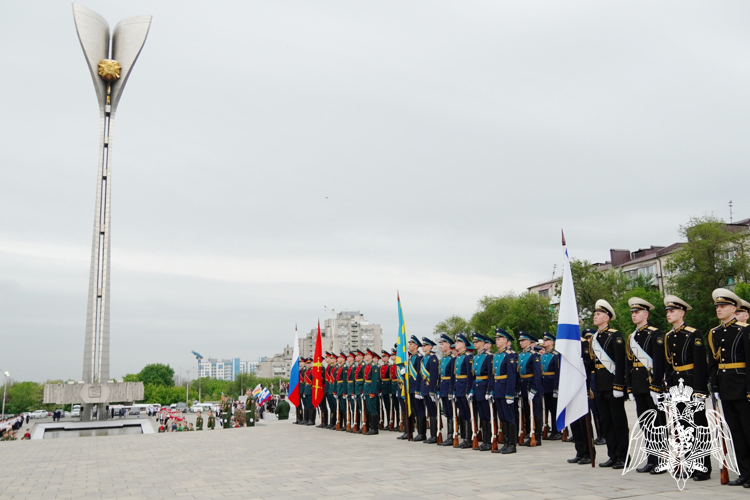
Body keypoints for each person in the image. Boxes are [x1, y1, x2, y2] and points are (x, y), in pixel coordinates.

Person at [662, 294, 711, 481]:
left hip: (691, 384)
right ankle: (690, 465)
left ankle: (703, 468)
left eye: (672, 311)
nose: (668, 314)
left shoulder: (693, 333)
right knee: (682, 427)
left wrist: (700, 390)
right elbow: (668, 364)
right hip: (677, 386)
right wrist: (668, 387)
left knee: (697, 426)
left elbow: (700, 363)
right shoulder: (668, 336)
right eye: (667, 311)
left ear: (681, 313)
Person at [708, 288, 750, 487]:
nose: (719, 309)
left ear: (734, 308)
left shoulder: (743, 330)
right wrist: (714, 386)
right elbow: (713, 364)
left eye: (723, 306)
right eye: (717, 306)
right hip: (725, 387)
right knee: (735, 433)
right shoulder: (714, 333)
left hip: (742, 385)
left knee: (748, 430)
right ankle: (744, 473)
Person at [625, 297, 665, 474]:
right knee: (645, 424)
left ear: (646, 314)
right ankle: (651, 460)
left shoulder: (655, 334)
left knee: (657, 423)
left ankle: (661, 460)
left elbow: (659, 362)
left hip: (651, 385)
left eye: (637, 312)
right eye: (632, 312)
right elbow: (628, 364)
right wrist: (630, 387)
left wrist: (657, 386)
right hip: (638, 384)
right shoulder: (632, 337)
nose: (634, 315)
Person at [590, 299, 628, 469]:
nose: (595, 316)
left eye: (598, 314)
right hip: (600, 384)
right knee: (606, 422)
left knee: (618, 422)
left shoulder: (615, 335)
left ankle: (622, 456)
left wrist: (619, 385)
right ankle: (612, 455)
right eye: (594, 314)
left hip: (613, 384)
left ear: (607, 317)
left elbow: (621, 362)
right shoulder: (594, 338)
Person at [568, 328, 595, 465]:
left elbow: (590, 364)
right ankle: (579, 451)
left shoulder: (584, 343)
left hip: (582, 384)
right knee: (574, 421)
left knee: (584, 422)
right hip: (570, 386)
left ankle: (588, 453)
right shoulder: (566, 344)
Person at [491, 327, 518, 454]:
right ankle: (506, 443)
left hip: (506, 389)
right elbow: (494, 376)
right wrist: (492, 391)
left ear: (506, 340)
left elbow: (512, 376)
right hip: (498, 389)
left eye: (499, 338)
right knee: (502, 417)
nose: (497, 341)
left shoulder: (510, 355)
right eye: (496, 339)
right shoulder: (497, 356)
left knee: (509, 417)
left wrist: (510, 394)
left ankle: (512, 444)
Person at [517, 331, 542, 447]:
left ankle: (537, 436)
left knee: (535, 411)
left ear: (529, 342)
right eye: (520, 341)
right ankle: (529, 433)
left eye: (523, 340)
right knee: (527, 410)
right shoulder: (521, 355)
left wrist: (534, 389)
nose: (521, 343)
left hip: (531, 384)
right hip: (523, 384)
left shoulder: (534, 355)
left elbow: (537, 374)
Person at [470, 332, 493, 451]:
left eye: (477, 342)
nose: (475, 344)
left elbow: (490, 375)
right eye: (474, 342)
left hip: (484, 387)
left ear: (483, 343)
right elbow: (474, 377)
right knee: (482, 416)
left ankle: (489, 441)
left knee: (487, 415)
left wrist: (489, 390)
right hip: (478, 387)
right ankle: (484, 440)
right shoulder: (476, 357)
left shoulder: (488, 356)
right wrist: (472, 390)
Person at [453, 332, 475, 448]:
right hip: (459, 388)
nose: (455, 344)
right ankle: (466, 438)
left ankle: (470, 438)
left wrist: (469, 389)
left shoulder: (468, 357)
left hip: (465, 387)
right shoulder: (459, 357)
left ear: (463, 344)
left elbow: (470, 375)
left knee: (468, 413)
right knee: (462, 413)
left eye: (457, 342)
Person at [541, 332, 562, 441]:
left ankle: (557, 431)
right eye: (544, 340)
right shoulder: (544, 355)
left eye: (547, 340)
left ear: (552, 342)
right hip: (545, 385)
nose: (544, 342)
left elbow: (558, 372)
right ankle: (553, 431)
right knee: (549, 409)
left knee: (555, 409)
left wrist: (556, 387)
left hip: (552, 384)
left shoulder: (556, 355)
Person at [418, 337, 440, 444]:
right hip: (424, 389)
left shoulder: (433, 358)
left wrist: (432, 391)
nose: (423, 347)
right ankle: (431, 435)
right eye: (422, 345)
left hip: (430, 389)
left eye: (425, 345)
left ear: (430, 347)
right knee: (429, 412)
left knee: (432, 412)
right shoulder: (423, 359)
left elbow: (434, 375)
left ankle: (434, 435)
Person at [437, 335, 455, 446]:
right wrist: (438, 390)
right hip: (443, 387)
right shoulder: (443, 359)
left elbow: (453, 376)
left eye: (443, 344)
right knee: (447, 413)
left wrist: (452, 390)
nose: (441, 346)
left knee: (451, 412)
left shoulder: (453, 358)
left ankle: (453, 435)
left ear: (449, 345)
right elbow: (440, 376)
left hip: (449, 387)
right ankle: (449, 435)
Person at [364, 349, 381, 435]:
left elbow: (374, 381)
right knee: (369, 410)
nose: (365, 356)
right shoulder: (367, 366)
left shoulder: (374, 366)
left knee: (373, 409)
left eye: (367, 355)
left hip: (371, 390)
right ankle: (370, 427)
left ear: (371, 356)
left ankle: (374, 429)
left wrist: (372, 392)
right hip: (367, 389)